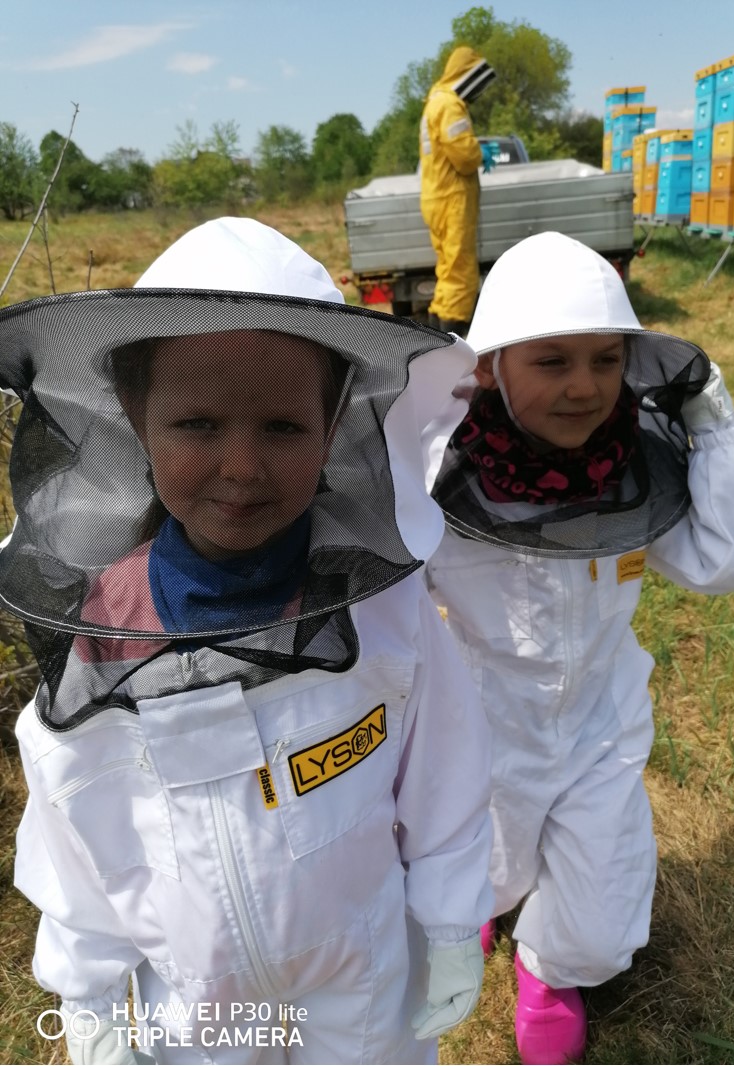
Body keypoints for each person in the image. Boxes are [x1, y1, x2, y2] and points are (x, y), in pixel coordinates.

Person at [5, 218, 494, 1066]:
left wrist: (452, 919)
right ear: (137, 416)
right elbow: (74, 821)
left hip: (360, 972)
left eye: (281, 427)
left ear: (333, 422)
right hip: (196, 1004)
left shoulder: (380, 599)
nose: (241, 466)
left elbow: (443, 763)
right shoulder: (107, 625)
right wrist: (87, 991)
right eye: (198, 424)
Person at [423, 231, 734, 1065]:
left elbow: (724, 563)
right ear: (489, 368)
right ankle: (486, 903)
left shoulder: (637, 462)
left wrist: (714, 429)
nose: (584, 386)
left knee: (600, 909)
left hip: (601, 723)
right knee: (489, 863)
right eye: (550, 361)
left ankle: (550, 973)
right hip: (482, 725)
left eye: (606, 360)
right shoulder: (441, 476)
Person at [419, 45, 496, 337]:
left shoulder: (434, 101)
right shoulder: (450, 104)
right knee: (461, 272)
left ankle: (435, 336)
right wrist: (479, 153)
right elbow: (463, 156)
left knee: (447, 270)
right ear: (467, 74)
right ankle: (455, 339)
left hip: (436, 196)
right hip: (452, 197)